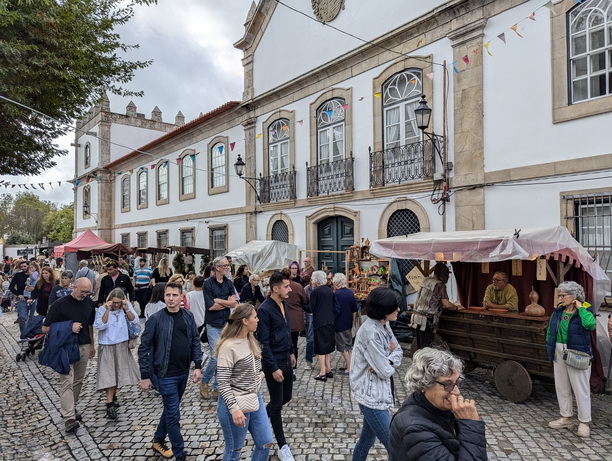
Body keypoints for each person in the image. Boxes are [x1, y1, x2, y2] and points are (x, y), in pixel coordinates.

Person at [138, 282, 202, 461]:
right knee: (174, 415)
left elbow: (195, 341)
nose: (171, 299)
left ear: (182, 297)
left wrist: (197, 365)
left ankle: (158, 440)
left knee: (170, 411)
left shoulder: (188, 316)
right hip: (165, 374)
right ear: (164, 296)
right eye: (168, 295)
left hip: (183, 372)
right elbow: (143, 348)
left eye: (174, 295)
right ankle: (179, 453)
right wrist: (145, 376)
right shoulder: (156, 319)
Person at [389, 348, 487, 461]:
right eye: (447, 384)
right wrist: (471, 425)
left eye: (457, 383)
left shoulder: (438, 408)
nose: (456, 392)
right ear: (424, 385)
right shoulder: (415, 429)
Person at [350, 287, 403, 460]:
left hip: (378, 392)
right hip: (371, 397)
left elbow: (399, 351)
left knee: (366, 441)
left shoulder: (384, 324)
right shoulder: (370, 332)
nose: (398, 310)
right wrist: (387, 360)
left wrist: (386, 359)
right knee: (395, 447)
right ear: (383, 310)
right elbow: (385, 372)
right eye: (394, 307)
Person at [216, 304, 274, 460]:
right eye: (255, 317)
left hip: (254, 399)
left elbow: (250, 368)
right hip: (234, 404)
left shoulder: (250, 339)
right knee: (234, 451)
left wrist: (260, 376)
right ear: (244, 321)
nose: (258, 320)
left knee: (266, 443)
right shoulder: (228, 346)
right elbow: (222, 382)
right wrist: (234, 409)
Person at [42, 278, 96, 433]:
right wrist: (68, 327)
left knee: (78, 380)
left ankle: (72, 407)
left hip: (84, 345)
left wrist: (92, 344)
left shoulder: (88, 303)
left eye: (87, 292)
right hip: (65, 347)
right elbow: (45, 328)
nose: (84, 294)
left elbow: (90, 324)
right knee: (66, 381)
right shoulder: (59, 304)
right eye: (82, 291)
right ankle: (69, 418)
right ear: (74, 286)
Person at [546, 281, 597, 438]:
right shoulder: (558, 312)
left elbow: (590, 324)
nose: (560, 298)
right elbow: (550, 330)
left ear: (574, 296)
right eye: (559, 295)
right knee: (562, 386)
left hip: (577, 353)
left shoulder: (585, 310)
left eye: (563, 295)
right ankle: (566, 416)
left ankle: (584, 421)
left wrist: (580, 307)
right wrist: (550, 348)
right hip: (559, 352)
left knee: (580, 388)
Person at [256, 271, 296, 461]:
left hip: (286, 359)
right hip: (274, 363)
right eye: (286, 286)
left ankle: (261, 415)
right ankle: (282, 445)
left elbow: (286, 330)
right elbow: (263, 342)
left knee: (286, 396)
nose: (289, 289)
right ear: (275, 288)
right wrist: (272, 368)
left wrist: (291, 351)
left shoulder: (284, 304)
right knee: (277, 404)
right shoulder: (264, 310)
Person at [94, 288, 140, 420]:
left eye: (118, 303)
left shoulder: (125, 307)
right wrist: (107, 310)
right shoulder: (103, 309)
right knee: (108, 374)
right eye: (113, 302)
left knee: (118, 373)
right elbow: (100, 326)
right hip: (107, 344)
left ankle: (112, 395)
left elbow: (134, 321)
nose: (116, 305)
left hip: (121, 343)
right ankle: (110, 404)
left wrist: (127, 308)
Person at [201, 256, 238, 399]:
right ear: (217, 268)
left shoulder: (228, 283)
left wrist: (219, 301)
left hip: (226, 324)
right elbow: (211, 306)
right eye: (225, 266)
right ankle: (204, 381)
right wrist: (226, 302)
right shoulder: (208, 284)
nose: (227, 268)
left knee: (223, 357)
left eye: (228, 265)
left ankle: (217, 386)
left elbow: (235, 303)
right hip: (213, 324)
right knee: (216, 356)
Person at [410, 263, 458, 350]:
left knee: (420, 345)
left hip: (416, 317)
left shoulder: (426, 280)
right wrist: (456, 307)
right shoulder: (439, 285)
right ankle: (425, 363)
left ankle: (418, 362)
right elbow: (447, 304)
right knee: (426, 347)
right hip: (427, 319)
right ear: (444, 274)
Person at [308, 270, 335, 381]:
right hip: (330, 321)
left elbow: (310, 308)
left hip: (320, 322)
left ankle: (322, 372)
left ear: (315, 280)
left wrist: (301, 304)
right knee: (327, 347)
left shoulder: (315, 292)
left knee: (320, 348)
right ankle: (328, 369)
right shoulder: (329, 290)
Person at [280, 268, 307, 377]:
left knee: (282, 344)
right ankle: (293, 370)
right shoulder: (298, 286)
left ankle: (284, 368)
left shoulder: (280, 287)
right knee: (294, 344)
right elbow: (305, 300)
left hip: (283, 318)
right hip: (295, 319)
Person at [332, 273, 358, 374]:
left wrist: (332, 319)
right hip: (348, 321)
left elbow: (337, 310)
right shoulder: (350, 292)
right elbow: (354, 308)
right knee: (347, 344)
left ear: (337, 284)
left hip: (340, 322)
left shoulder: (337, 294)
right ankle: (349, 365)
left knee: (343, 346)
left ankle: (349, 367)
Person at [9, 260, 31, 335]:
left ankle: (31, 333)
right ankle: (24, 334)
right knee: (22, 317)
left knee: (31, 318)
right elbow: (11, 287)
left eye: (25, 266)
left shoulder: (33, 275)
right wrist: (18, 294)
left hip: (33, 298)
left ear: (28, 266)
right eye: (21, 267)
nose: (23, 268)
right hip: (22, 298)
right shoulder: (18, 275)